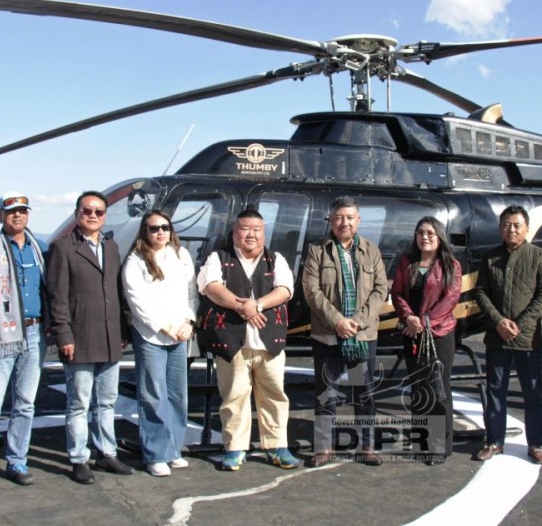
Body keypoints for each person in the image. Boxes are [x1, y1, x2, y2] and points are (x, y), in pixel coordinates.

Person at [196, 208, 299, 471]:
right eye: (245, 228)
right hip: (232, 344)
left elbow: (285, 290)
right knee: (234, 397)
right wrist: (241, 307)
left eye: (257, 230)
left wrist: (257, 306)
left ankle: (277, 447)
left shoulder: (276, 259)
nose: (250, 234)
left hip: (269, 345)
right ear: (234, 232)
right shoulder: (218, 257)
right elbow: (210, 287)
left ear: (264, 234)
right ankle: (235, 449)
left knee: (275, 396)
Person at [47, 191, 134, 484]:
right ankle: (78, 457)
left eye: (99, 211)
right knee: (79, 403)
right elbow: (57, 298)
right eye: (87, 210)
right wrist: (64, 335)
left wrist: (122, 329)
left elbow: (116, 294)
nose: (93, 215)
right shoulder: (63, 248)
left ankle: (106, 452)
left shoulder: (111, 247)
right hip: (80, 337)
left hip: (110, 337)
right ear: (77, 213)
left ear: (105, 216)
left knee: (107, 402)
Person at [302, 196, 389, 468]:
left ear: (358, 220)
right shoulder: (317, 250)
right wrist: (337, 321)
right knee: (326, 392)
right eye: (339, 217)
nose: (344, 222)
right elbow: (311, 291)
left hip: (362, 337)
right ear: (330, 219)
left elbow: (380, 290)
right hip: (328, 335)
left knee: (364, 392)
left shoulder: (371, 251)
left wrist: (358, 322)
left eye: (350, 217)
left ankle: (367, 445)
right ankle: (324, 447)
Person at [0, 192, 48, 489]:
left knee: (26, 403)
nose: (17, 216)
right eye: (11, 211)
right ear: (1, 216)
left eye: (22, 211)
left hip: (34, 332)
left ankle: (17, 459)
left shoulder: (39, 249)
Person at [473, 205, 542, 464]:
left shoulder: (539, 257)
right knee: (496, 390)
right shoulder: (490, 257)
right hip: (497, 338)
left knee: (533, 392)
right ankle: (494, 441)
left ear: (527, 228)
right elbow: (481, 292)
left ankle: (536, 444)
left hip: (527, 338)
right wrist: (498, 321)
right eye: (507, 224)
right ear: (500, 228)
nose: (511, 229)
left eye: (517, 225)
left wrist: (520, 323)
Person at [122, 210, 198, 477]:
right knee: (153, 394)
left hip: (180, 334)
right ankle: (156, 453)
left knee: (178, 394)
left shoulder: (181, 255)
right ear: (145, 231)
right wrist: (164, 326)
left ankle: (174, 448)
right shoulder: (136, 260)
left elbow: (191, 293)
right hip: (151, 335)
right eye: (154, 228)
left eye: (164, 227)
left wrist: (188, 322)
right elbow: (136, 300)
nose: (160, 232)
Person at [390, 217, 462, 465]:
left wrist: (425, 321)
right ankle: (422, 444)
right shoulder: (406, 263)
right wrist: (409, 317)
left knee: (438, 389)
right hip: (412, 333)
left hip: (438, 334)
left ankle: (440, 447)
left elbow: (450, 298)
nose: (425, 237)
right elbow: (397, 293)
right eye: (420, 232)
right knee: (419, 389)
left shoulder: (450, 264)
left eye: (430, 233)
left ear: (440, 236)